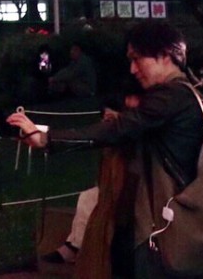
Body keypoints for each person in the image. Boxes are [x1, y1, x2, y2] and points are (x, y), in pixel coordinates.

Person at [10, 21, 203, 279]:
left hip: (159, 230)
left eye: (137, 59)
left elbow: (116, 130)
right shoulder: (193, 96)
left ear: (164, 55)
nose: (133, 69)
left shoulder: (171, 97)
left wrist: (47, 139)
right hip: (177, 225)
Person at [42, 91, 142, 274]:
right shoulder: (109, 143)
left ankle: (73, 247)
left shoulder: (131, 139)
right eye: (104, 116)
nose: (106, 121)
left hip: (130, 201)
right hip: (110, 195)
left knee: (91, 202)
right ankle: (73, 246)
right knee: (88, 198)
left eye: (111, 117)